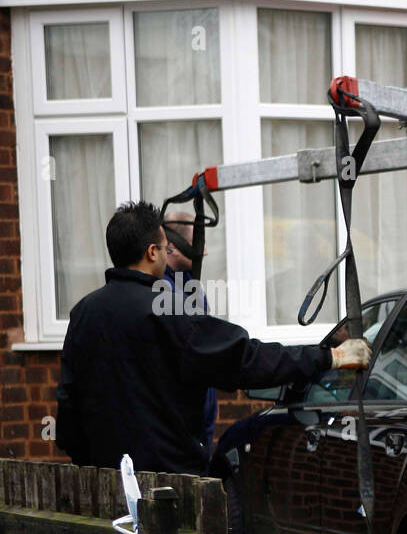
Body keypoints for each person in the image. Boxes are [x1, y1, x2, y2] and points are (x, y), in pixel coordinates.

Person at [56, 200, 369, 476]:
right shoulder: (169, 306)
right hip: (168, 486)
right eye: (164, 248)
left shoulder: (84, 313)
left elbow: (68, 407)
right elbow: (244, 359)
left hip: (103, 484)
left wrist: (91, 466)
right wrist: (331, 357)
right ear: (152, 252)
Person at [160, 211, 219, 459]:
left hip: (200, 421)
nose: (203, 252)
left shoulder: (189, 286)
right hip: (179, 428)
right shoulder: (164, 293)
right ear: (171, 247)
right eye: (196, 245)